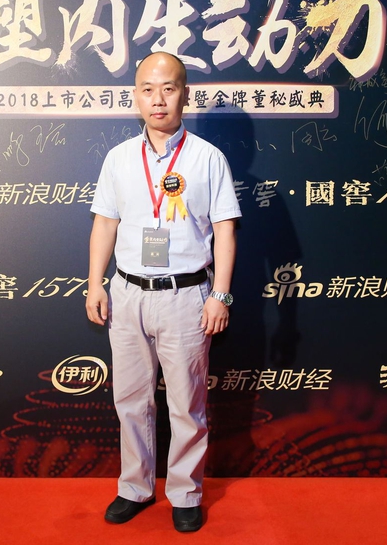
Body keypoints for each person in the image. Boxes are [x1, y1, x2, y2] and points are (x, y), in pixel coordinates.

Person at [86, 51, 241, 533]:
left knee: (186, 404)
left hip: (185, 298)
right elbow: (105, 223)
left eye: (168, 89)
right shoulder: (118, 158)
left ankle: (186, 492)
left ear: (184, 95)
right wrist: (94, 283)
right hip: (127, 294)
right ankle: (134, 487)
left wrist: (220, 295)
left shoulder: (207, 158)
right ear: (136, 97)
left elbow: (225, 229)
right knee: (131, 400)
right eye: (148, 90)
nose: (158, 100)